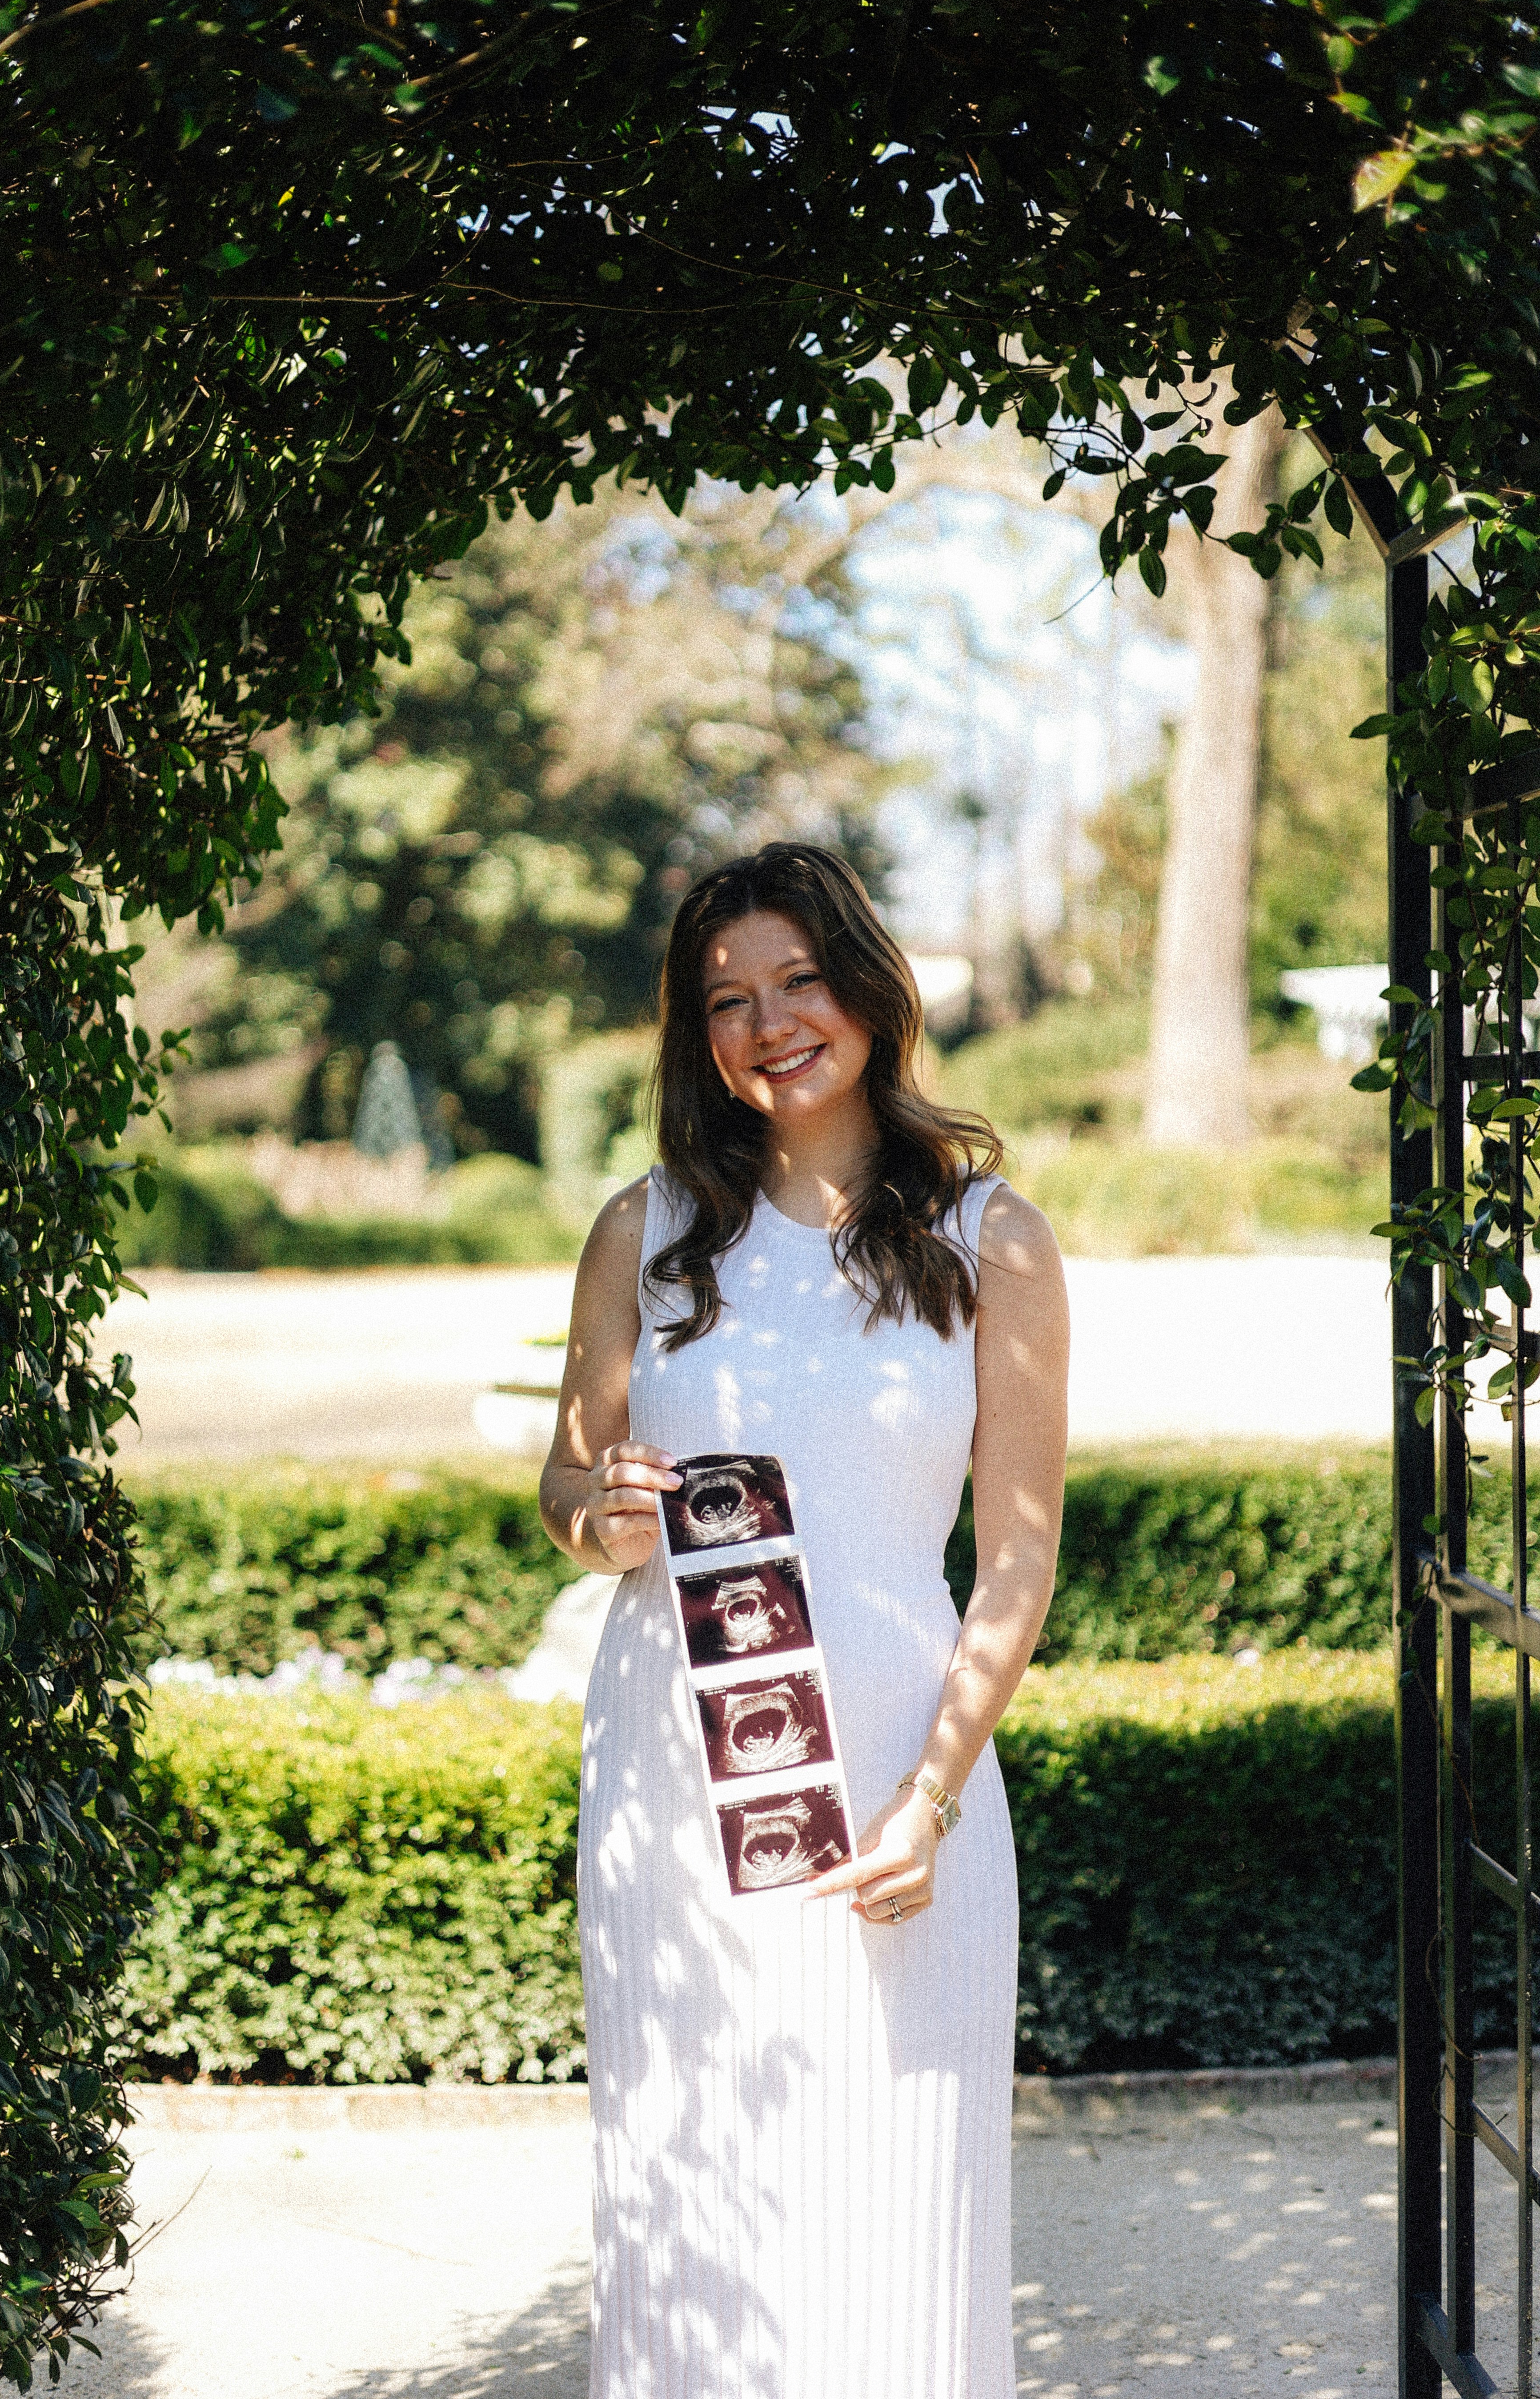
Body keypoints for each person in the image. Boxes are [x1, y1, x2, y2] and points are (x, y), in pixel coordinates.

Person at [540, 842, 1070, 2399]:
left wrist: (930, 1798)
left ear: (869, 989)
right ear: (696, 1036)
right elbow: (566, 1479)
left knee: (896, 2217)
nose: (770, 1024)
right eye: (728, 1000)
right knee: (692, 2210)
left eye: (799, 981)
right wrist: (598, 1516)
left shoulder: (993, 1240)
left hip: (898, 1792)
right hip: (675, 1796)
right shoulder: (643, 1232)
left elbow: (1018, 1562)